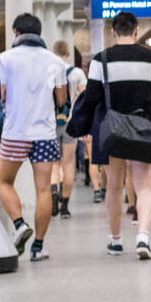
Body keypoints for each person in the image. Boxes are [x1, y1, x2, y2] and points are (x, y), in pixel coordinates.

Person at [66, 11, 151, 258]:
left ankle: (116, 240)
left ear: (113, 31)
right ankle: (142, 236)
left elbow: (92, 98)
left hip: (111, 129)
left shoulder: (101, 59)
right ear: (136, 30)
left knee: (114, 188)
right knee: (143, 186)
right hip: (142, 127)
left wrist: (80, 126)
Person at [0, 13, 67, 262]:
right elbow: (61, 99)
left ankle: (18, 225)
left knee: (4, 181)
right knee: (44, 189)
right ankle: (38, 246)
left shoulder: (5, 59)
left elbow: (2, 94)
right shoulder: (55, 62)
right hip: (45, 133)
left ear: (16, 33)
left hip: (15, 131)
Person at [51, 39, 88, 218]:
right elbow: (85, 97)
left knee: (53, 164)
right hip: (70, 124)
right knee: (68, 163)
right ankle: (65, 205)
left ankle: (53, 196)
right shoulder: (77, 73)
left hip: (49, 124)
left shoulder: (48, 70)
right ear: (68, 54)